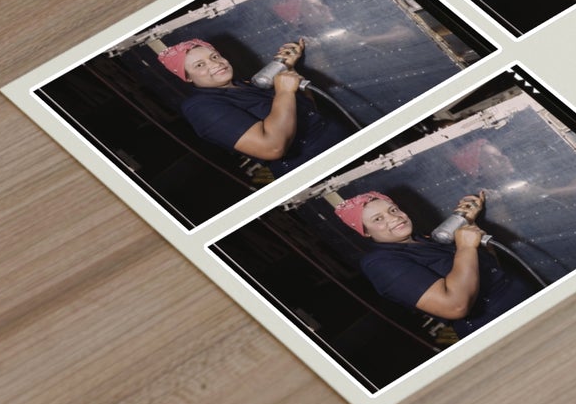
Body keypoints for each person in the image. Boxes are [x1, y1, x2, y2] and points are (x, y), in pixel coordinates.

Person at [334, 188, 534, 335]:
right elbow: (455, 306)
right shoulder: (380, 263)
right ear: (365, 232)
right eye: (378, 219)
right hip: (497, 325)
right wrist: (465, 247)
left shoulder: (425, 239)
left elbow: (490, 267)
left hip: (524, 300)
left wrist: (470, 225)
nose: (394, 218)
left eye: (393, 210)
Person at [160, 37, 345, 173]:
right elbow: (272, 148)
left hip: (341, 144)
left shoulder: (246, 85)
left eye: (215, 56)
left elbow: (309, 111)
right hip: (316, 167)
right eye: (199, 65)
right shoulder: (200, 107)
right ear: (187, 77)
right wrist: (284, 92)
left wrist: (288, 71)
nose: (215, 64)